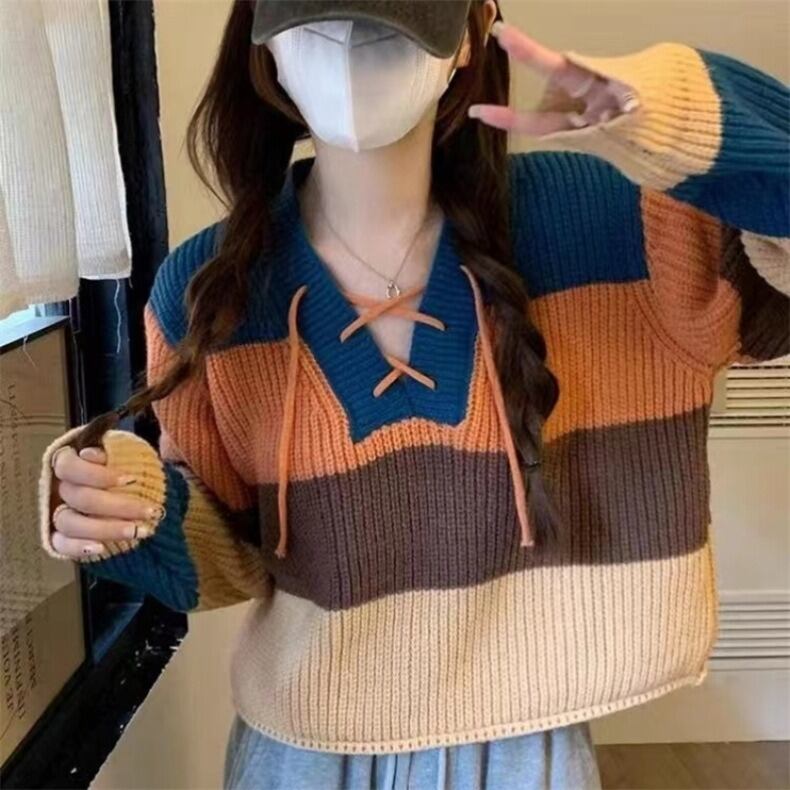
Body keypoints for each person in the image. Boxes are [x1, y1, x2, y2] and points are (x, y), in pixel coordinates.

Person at [38, 0, 789, 787]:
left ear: (470, 36)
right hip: (299, 751)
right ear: (266, 48)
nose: (348, 50)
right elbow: (230, 560)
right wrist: (130, 508)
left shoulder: (615, 221)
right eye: (314, 23)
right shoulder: (203, 290)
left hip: (525, 743)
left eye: (387, 26)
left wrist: (685, 111)